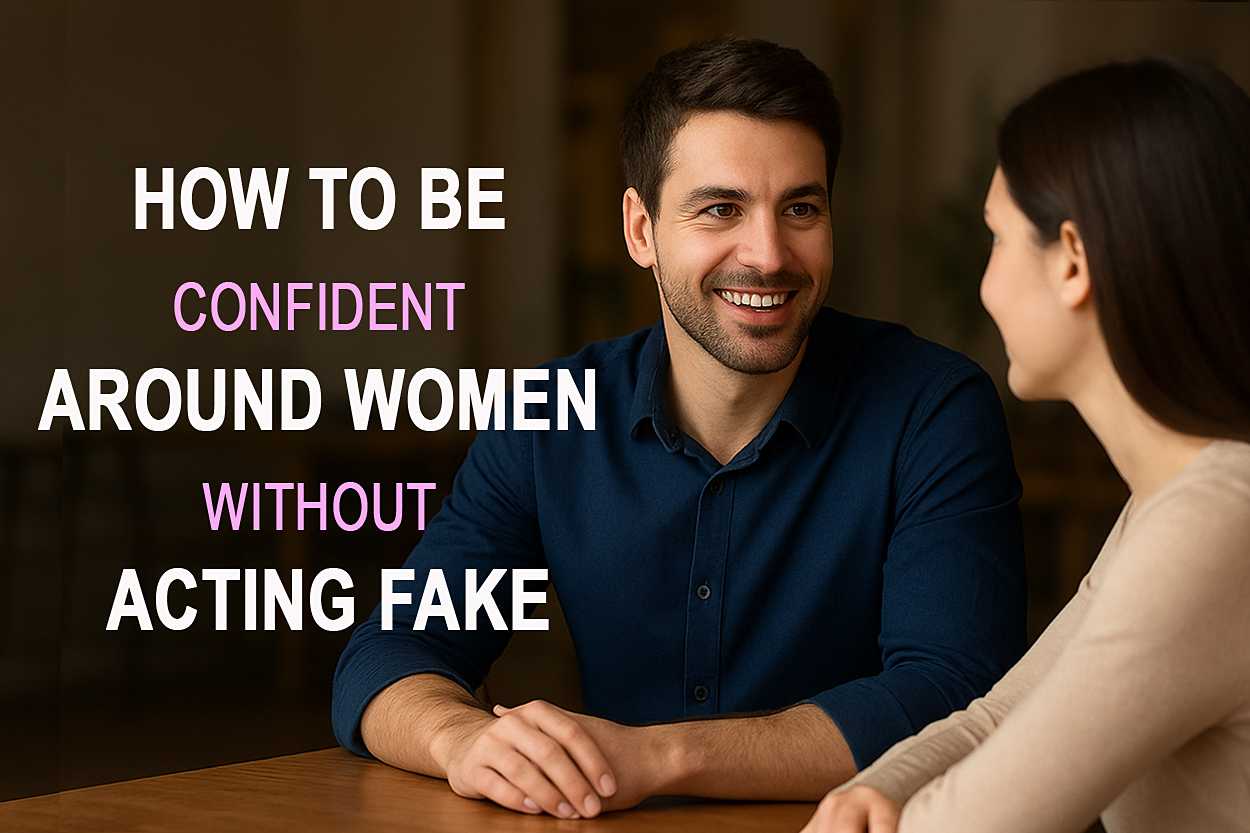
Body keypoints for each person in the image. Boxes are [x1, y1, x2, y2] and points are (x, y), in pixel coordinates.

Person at [332, 38, 1027, 819]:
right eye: (721, 209)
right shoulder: (547, 416)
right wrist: (461, 739)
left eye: (801, 207)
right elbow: (387, 657)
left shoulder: (932, 408)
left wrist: (659, 754)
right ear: (640, 230)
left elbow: (953, 696)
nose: (768, 255)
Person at [804, 57, 1250, 833]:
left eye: (997, 238)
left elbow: (977, 823)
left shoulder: (1217, 522)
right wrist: (874, 789)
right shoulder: (1175, 500)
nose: (985, 285)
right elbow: (1001, 716)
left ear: (1073, 260)